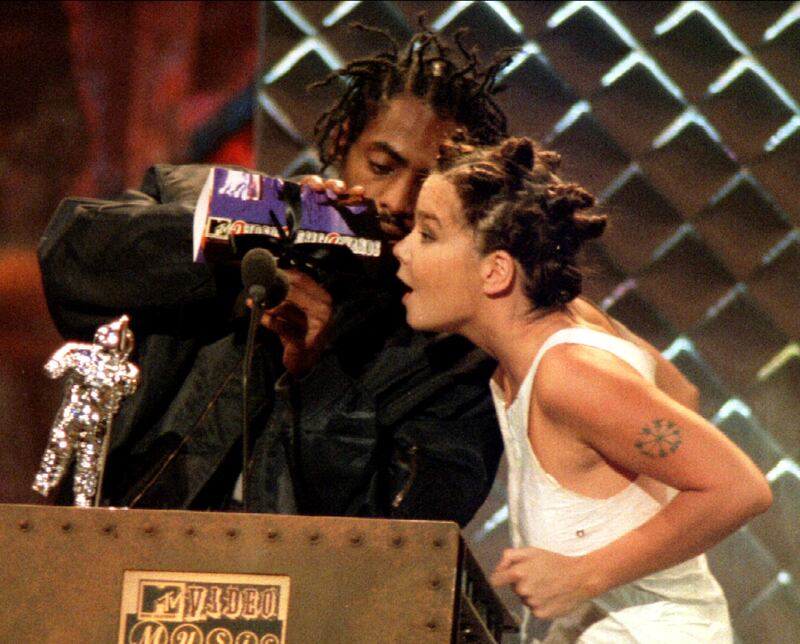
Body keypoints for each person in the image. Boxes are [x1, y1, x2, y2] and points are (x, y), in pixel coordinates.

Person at [37, 27, 514, 523]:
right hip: (119, 549)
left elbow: (411, 527)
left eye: (428, 182)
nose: (396, 201)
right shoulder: (207, 197)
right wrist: (272, 224)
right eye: (381, 165)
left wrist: (317, 376)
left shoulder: (450, 353)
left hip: (301, 588)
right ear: (341, 139)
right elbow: (72, 258)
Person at [392, 134, 772, 642]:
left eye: (428, 234)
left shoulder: (569, 374)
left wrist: (582, 574)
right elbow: (678, 395)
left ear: (496, 270)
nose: (401, 249)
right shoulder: (557, 338)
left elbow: (739, 487)